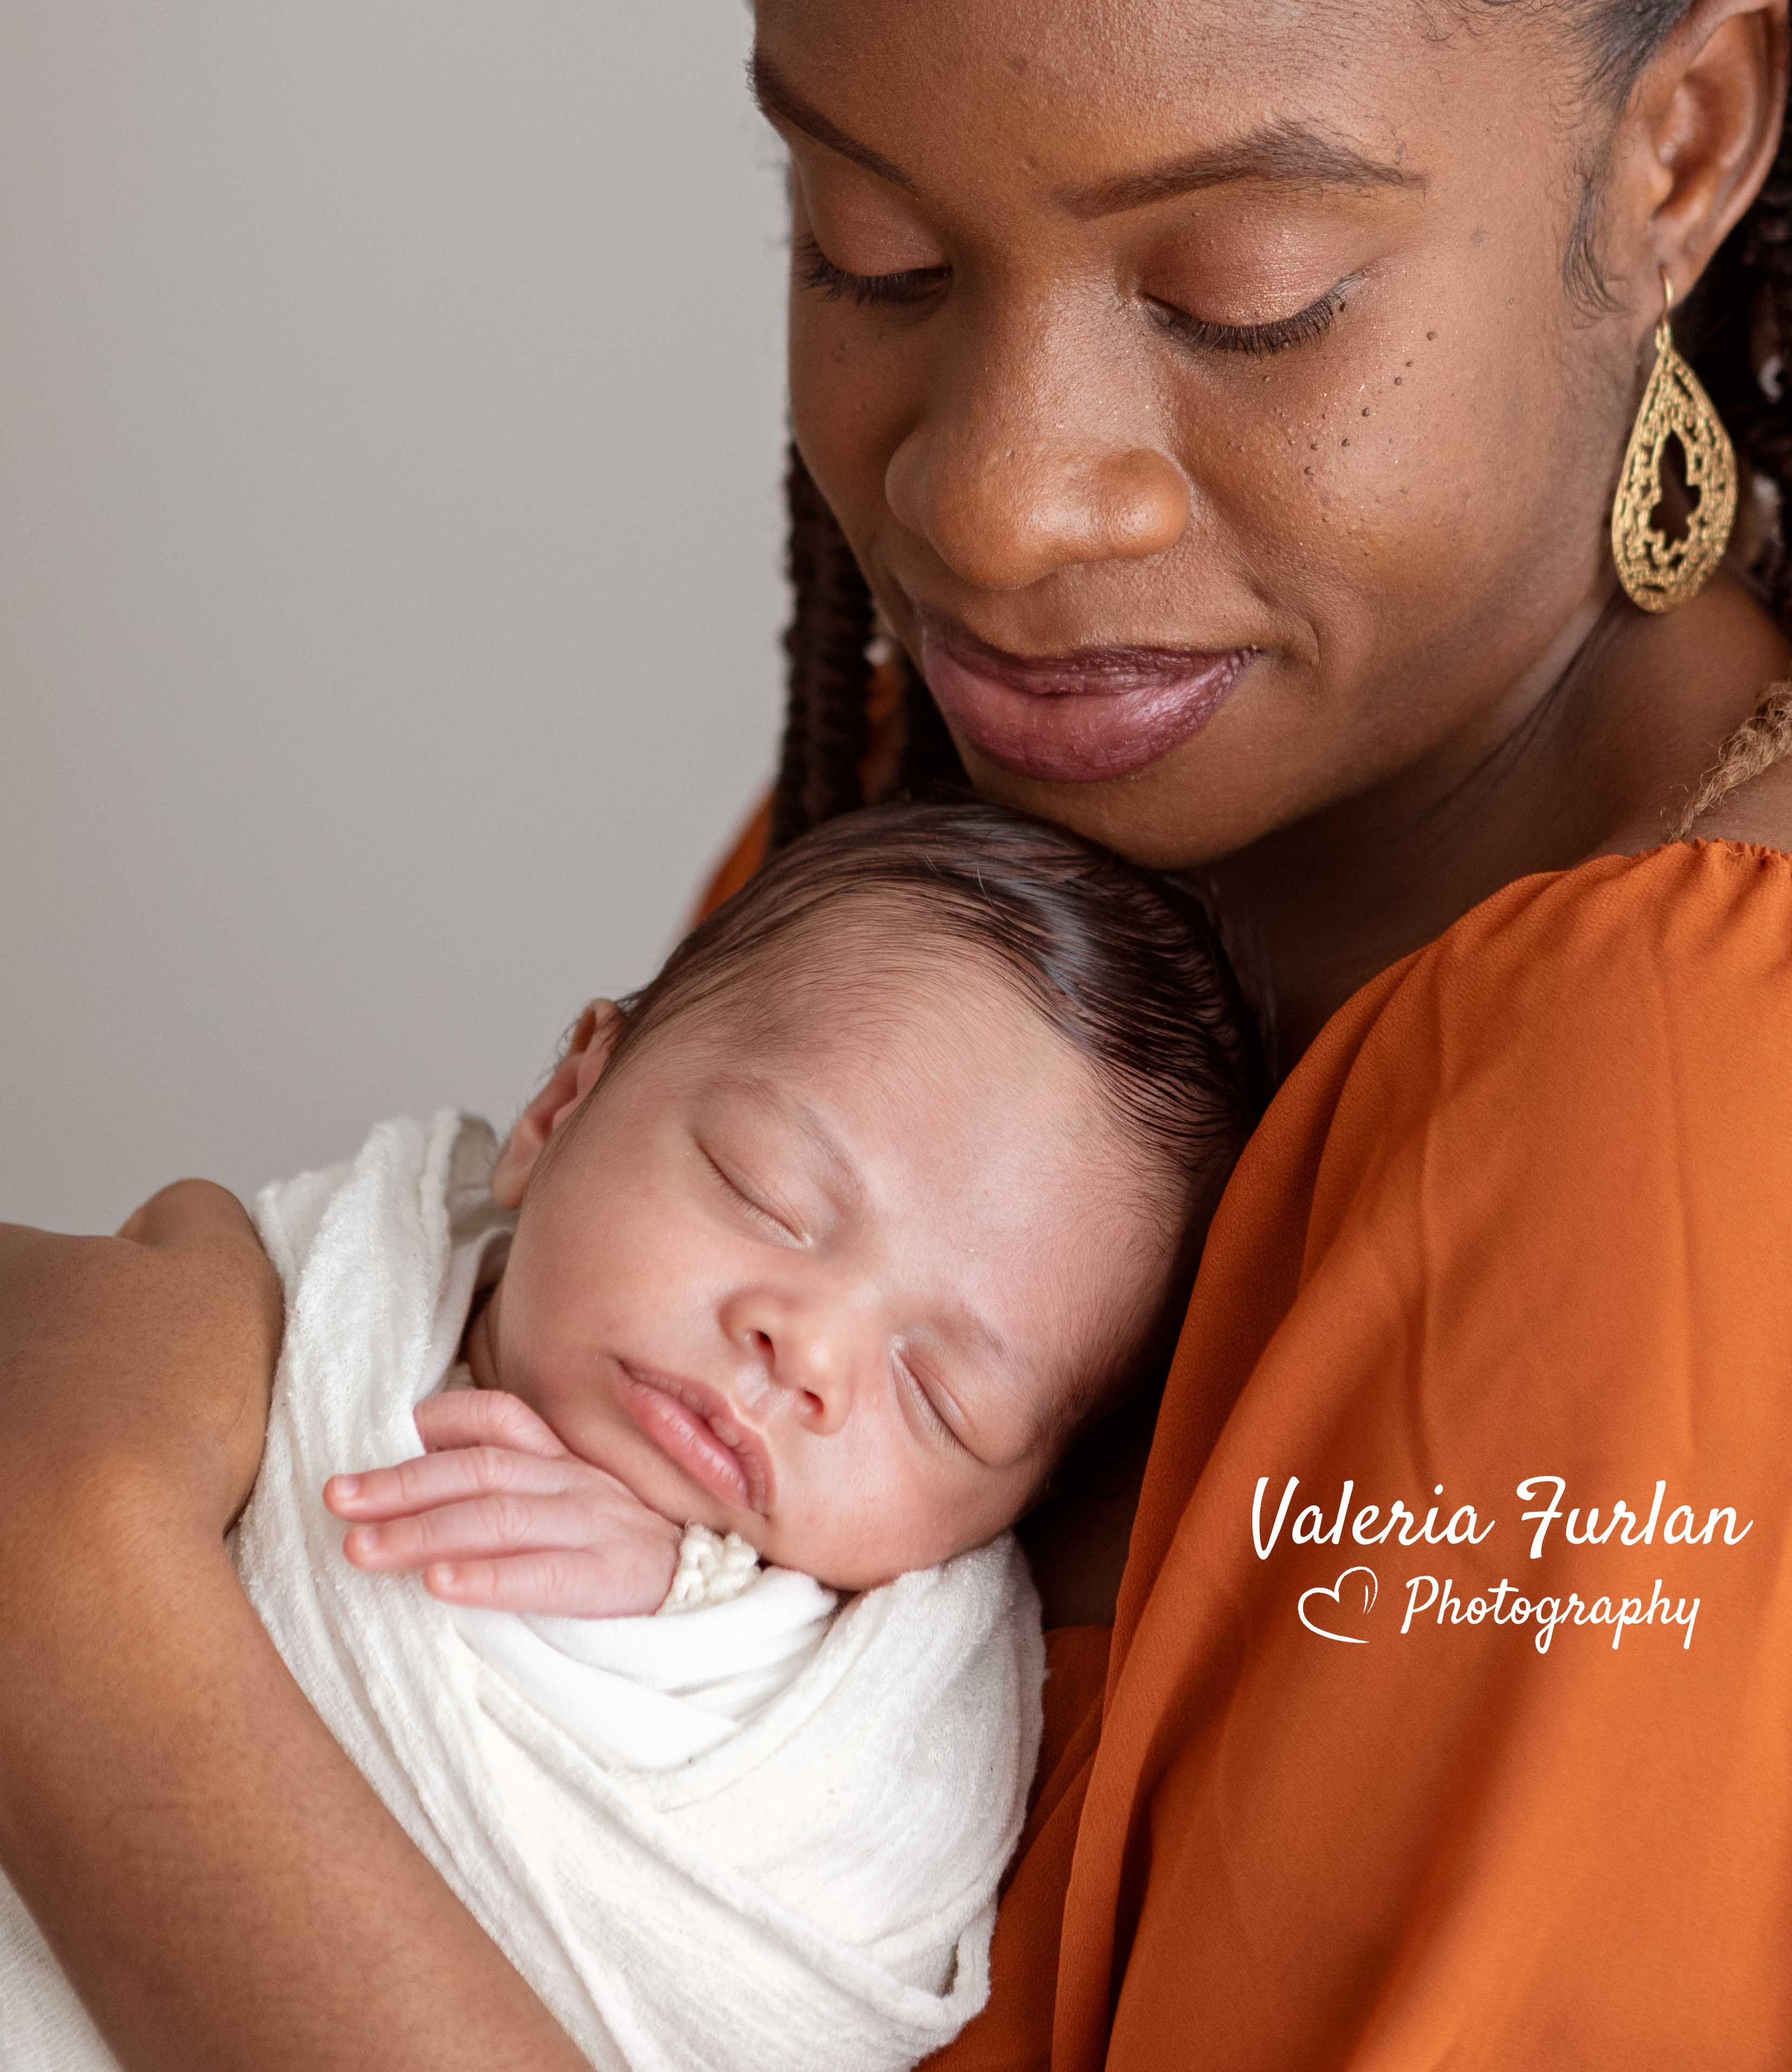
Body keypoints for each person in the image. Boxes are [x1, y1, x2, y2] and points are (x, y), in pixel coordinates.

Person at [1, 0, 1790, 2063]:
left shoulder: (1666, 1117)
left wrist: (64, 1584)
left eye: (1235, 291)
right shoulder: (1009, 816)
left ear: (1674, 143)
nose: (986, 502)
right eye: (864, 249)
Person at [0, 803, 1258, 2072]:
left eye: (939, 1395)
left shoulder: (876, 1731)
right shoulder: (308, 1291)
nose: (806, 1351)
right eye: (763, 1190)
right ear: (562, 1102)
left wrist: (691, 1590)